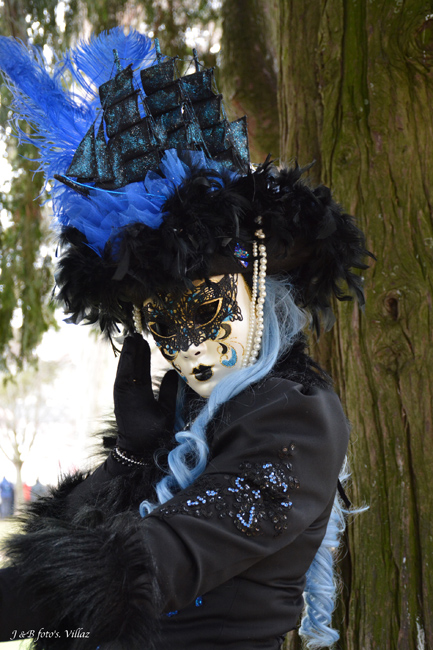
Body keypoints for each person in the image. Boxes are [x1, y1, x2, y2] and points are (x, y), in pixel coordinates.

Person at [0, 28, 371, 650]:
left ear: (256, 280)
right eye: (163, 326)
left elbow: (147, 569)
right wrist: (128, 459)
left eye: (204, 307)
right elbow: (82, 552)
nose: (189, 345)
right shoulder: (185, 415)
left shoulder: (298, 420)